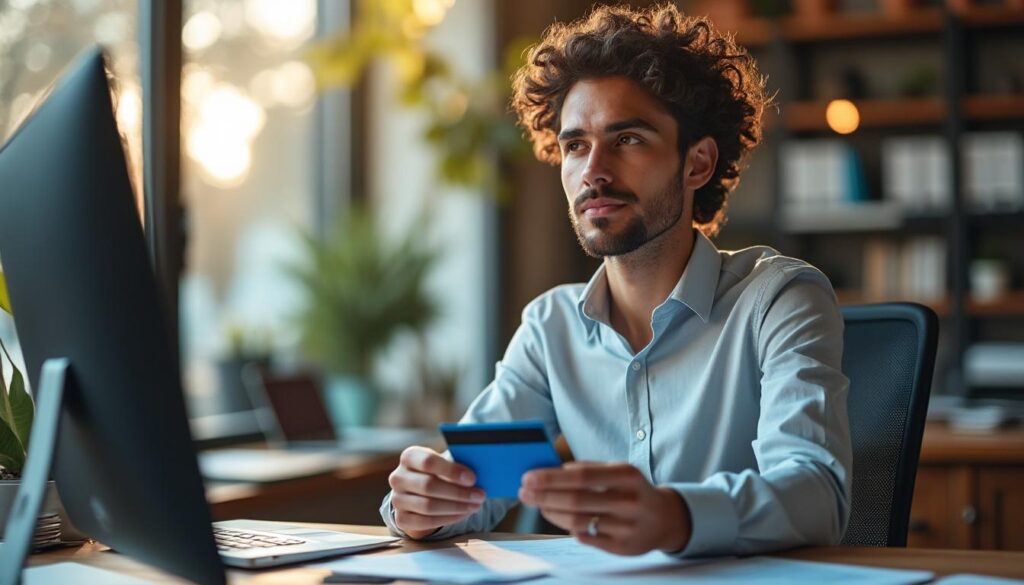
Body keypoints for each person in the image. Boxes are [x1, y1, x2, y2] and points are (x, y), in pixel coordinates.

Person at [380, 3, 851, 557]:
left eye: (627, 139)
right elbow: (474, 487)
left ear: (697, 164)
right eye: (575, 145)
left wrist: (677, 516)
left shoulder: (779, 299)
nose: (593, 170)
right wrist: (421, 504)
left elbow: (817, 494)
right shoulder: (550, 327)